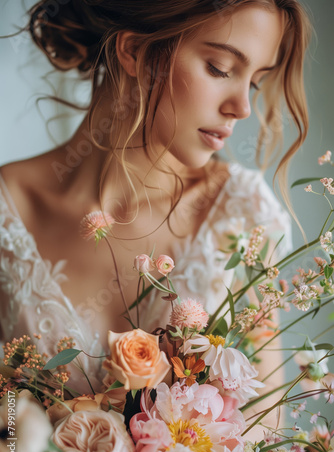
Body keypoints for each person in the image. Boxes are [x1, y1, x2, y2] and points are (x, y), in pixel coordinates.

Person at [0, 0, 310, 416]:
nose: (242, 107)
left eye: (254, 82)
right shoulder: (8, 207)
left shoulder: (241, 216)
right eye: (219, 68)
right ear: (134, 51)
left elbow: (265, 433)